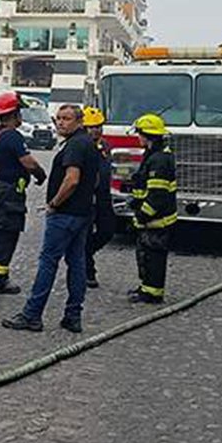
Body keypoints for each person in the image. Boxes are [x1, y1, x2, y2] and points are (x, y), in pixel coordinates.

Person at [3, 104, 100, 333]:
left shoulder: (75, 145)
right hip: (82, 213)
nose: (61, 123)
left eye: (66, 118)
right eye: (58, 118)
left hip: (65, 214)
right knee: (77, 263)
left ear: (79, 121)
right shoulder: (88, 143)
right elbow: (95, 179)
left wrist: (54, 204)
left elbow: (72, 179)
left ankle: (32, 315)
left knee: (48, 262)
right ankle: (73, 316)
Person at [0, 93, 47, 294]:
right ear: (14, 114)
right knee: (6, 234)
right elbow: (28, 163)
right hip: (7, 193)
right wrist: (40, 175)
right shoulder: (12, 136)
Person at [127, 113, 177, 304]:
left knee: (153, 257)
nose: (138, 137)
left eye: (139, 134)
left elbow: (157, 195)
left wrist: (142, 214)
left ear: (147, 135)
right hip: (152, 218)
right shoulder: (154, 155)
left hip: (156, 219)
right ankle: (146, 287)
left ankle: (153, 293)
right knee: (145, 255)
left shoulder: (159, 160)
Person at [82, 107, 117, 288]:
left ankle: (84, 253)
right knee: (86, 234)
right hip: (86, 197)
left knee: (107, 230)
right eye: (92, 127)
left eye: (99, 126)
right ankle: (88, 271)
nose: (96, 130)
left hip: (103, 195)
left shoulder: (105, 146)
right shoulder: (80, 146)